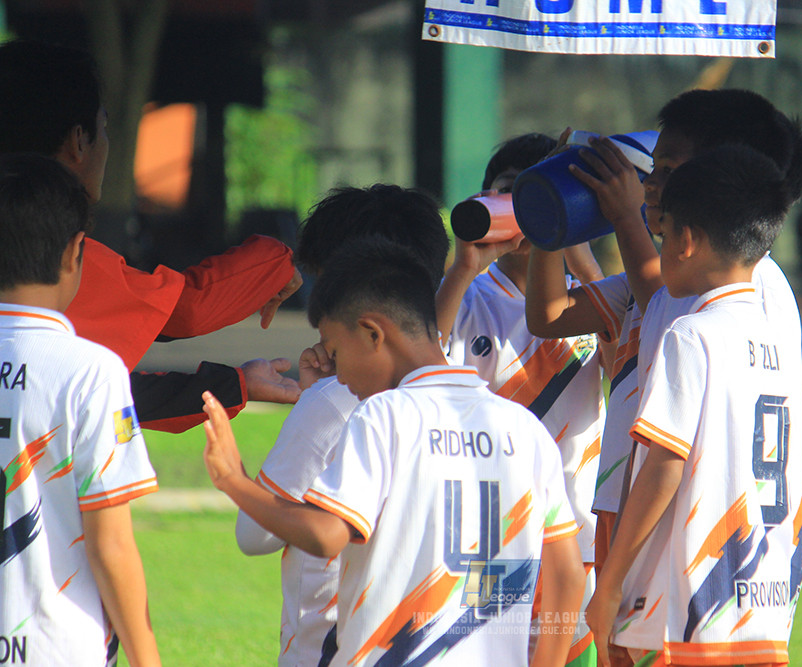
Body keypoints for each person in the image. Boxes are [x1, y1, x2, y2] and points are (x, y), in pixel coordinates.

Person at [204, 236, 586, 667]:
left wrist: (233, 480)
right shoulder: (524, 428)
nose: (339, 374)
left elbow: (328, 535)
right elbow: (568, 577)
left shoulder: (383, 414)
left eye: (335, 351)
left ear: (371, 332)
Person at [525, 89, 802, 598]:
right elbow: (549, 316)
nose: (649, 186)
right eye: (651, 169)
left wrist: (623, 217)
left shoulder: (749, 280)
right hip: (633, 501)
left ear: (724, 179)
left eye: (669, 171)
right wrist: (552, 221)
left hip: (698, 521)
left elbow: (664, 299)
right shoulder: (669, 280)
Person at [0, 38, 302, 433]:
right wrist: (277, 261)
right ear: (79, 142)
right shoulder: (56, 246)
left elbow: (110, 395)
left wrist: (237, 384)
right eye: (104, 128)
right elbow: (186, 310)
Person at [586, 145, 802, 666]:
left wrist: (611, 583)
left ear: (685, 240)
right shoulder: (776, 330)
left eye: (661, 237)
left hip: (685, 606)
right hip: (764, 598)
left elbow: (665, 465)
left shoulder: (691, 334)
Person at [234, 184, 451, 667]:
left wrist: (311, 407)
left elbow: (254, 535)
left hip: (329, 646)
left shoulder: (335, 401)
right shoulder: (470, 392)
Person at [436, 132, 605, 666]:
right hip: (482, 547)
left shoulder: (592, 295)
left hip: (572, 544)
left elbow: (628, 342)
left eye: (542, 196)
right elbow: (422, 365)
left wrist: (572, 239)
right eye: (513, 193)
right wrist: (463, 268)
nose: (527, 213)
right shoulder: (467, 295)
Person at [0, 154, 160, 665]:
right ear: (76, 251)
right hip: (57, 646)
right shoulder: (91, 371)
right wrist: (146, 657)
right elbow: (109, 546)